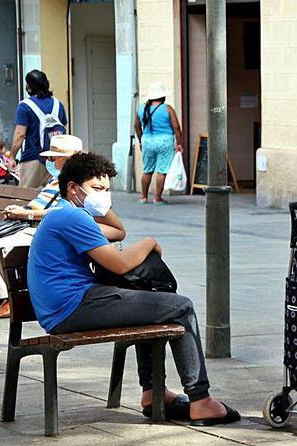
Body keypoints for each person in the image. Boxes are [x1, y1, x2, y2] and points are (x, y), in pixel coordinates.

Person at [26, 152, 240, 425]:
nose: (103, 195)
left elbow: (118, 232)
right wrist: (150, 242)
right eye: (96, 189)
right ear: (72, 187)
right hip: (73, 307)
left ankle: (153, 393)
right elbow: (119, 264)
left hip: (69, 305)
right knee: (180, 306)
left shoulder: (69, 216)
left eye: (106, 190)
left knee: (153, 303)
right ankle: (201, 401)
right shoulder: (71, 218)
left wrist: (97, 203)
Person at [0, 135, 97, 319]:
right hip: (25, 223)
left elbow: (63, 213)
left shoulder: (78, 183)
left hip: (43, 228)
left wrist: (25, 213)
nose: (49, 161)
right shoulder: (55, 179)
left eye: (53, 158)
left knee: (0, 246)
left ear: (67, 158)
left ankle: (10, 300)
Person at [11, 70, 68, 188]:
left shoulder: (25, 106)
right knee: (54, 197)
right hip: (55, 158)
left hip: (33, 158)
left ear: (30, 87)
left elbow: (20, 134)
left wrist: (12, 157)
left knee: (24, 197)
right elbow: (64, 128)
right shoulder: (58, 104)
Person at [134, 82, 184, 205]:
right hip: (164, 141)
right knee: (162, 170)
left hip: (147, 141)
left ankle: (144, 197)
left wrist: (141, 141)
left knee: (147, 170)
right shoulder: (167, 109)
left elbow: (136, 126)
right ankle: (157, 198)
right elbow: (176, 127)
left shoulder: (142, 109)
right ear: (163, 96)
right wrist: (179, 143)